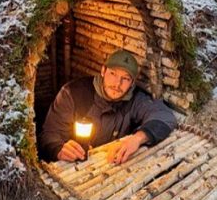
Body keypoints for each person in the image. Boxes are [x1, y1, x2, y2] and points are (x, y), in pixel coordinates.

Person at [39, 49, 177, 164]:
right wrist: (58, 149)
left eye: (125, 79)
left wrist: (137, 138)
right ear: (103, 71)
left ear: (132, 83)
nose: (117, 84)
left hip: (109, 168)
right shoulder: (72, 93)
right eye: (113, 74)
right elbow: (48, 135)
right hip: (72, 168)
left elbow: (165, 116)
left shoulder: (135, 99)